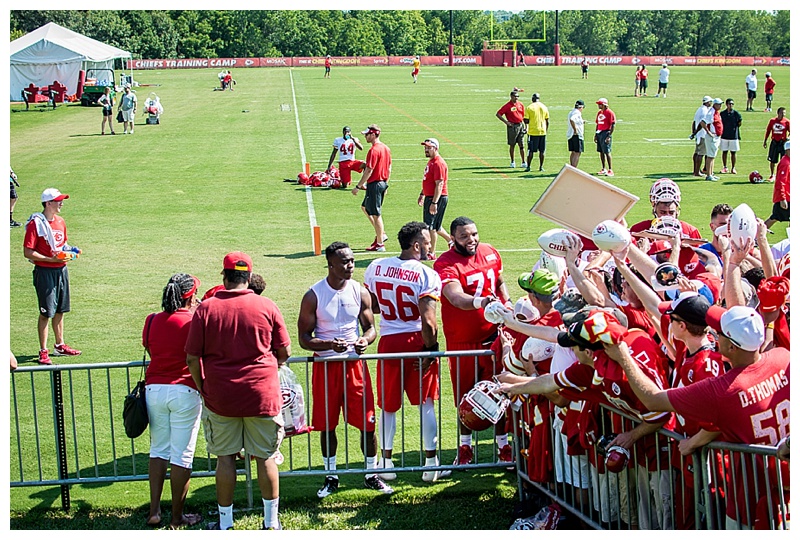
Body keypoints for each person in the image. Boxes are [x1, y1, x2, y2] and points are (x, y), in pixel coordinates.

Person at [604, 304, 789, 530]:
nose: (712, 334)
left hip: (748, 498)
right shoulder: (784, 358)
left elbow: (652, 399)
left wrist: (623, 357)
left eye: (718, 333)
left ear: (731, 346)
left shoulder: (723, 390)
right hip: (784, 482)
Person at [185, 252, 290, 530]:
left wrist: (203, 386)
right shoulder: (267, 305)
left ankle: (225, 523)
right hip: (261, 394)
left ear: (224, 276)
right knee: (266, 458)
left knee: (225, 459)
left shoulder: (206, 308)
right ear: (248, 276)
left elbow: (192, 357)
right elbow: (284, 351)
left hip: (221, 396)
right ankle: (271, 523)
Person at [297, 242, 390, 498]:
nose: (351, 266)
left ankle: (371, 474)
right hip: (326, 368)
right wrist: (328, 344)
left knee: (368, 422)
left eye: (351, 261)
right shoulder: (314, 295)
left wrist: (365, 341)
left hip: (354, 367)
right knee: (327, 425)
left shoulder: (360, 291)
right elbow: (304, 338)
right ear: (331, 265)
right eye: (345, 262)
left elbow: (371, 328)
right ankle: (331, 476)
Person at [363, 222, 445, 482]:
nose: (431, 247)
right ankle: (430, 464)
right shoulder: (426, 274)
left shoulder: (376, 266)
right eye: (428, 243)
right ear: (416, 245)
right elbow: (429, 322)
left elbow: (372, 306)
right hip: (416, 340)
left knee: (388, 406)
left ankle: (386, 464)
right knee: (426, 403)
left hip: (388, 340)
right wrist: (431, 349)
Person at [433, 217, 513, 465]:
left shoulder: (490, 251)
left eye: (474, 234)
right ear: (453, 237)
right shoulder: (446, 263)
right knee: (465, 397)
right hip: (463, 342)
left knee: (499, 394)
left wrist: (506, 300)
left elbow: (499, 280)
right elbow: (455, 297)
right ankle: (465, 447)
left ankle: (503, 446)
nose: (472, 240)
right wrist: (481, 302)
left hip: (492, 337)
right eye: (465, 236)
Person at [144, 274, 204, 529]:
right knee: (182, 456)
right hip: (184, 391)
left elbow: (149, 347)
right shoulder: (194, 322)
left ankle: (154, 511)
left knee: (158, 450)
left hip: (154, 390)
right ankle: (177, 518)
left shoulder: (152, 320)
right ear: (189, 296)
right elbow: (197, 356)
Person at [23, 188, 82, 365]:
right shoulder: (36, 224)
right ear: (48, 203)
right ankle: (43, 350)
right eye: (58, 201)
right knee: (46, 313)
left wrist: (72, 251)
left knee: (60, 310)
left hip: (61, 270)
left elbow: (62, 244)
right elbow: (28, 252)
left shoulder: (61, 222)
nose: (61, 203)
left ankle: (59, 345)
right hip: (45, 272)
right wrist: (50, 259)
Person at [351, 124, 391, 252]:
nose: (366, 137)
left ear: (373, 135)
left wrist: (358, 186)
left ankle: (380, 242)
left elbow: (369, 169)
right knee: (365, 207)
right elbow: (389, 167)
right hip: (381, 183)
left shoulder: (374, 150)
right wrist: (386, 183)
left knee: (375, 213)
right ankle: (380, 235)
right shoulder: (385, 148)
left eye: (367, 134)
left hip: (375, 183)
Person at [417, 138, 451, 260]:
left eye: (428, 147)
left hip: (437, 198)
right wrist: (422, 194)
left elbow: (439, 184)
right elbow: (428, 180)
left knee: (430, 227)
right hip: (431, 197)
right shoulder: (431, 161)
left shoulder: (438, 163)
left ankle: (431, 252)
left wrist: (434, 202)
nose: (426, 150)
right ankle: (451, 242)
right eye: (425, 147)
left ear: (435, 148)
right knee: (435, 225)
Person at [496, 90, 527, 169]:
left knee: (522, 144)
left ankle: (523, 161)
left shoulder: (520, 104)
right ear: (511, 97)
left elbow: (524, 116)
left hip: (520, 125)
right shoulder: (507, 106)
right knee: (512, 145)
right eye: (515, 96)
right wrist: (506, 122)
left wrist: (526, 126)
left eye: (517, 97)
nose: (516, 98)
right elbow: (498, 114)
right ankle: (512, 161)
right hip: (512, 126)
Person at [765, 140, 790, 230]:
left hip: (788, 196)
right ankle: (757, 236)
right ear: (788, 150)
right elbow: (780, 182)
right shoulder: (786, 163)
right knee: (774, 217)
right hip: (786, 197)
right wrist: (783, 198)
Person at [523, 93, 549, 172]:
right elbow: (547, 120)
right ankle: (541, 167)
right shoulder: (544, 107)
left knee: (530, 150)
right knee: (542, 151)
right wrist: (545, 130)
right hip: (542, 132)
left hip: (533, 132)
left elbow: (526, 120)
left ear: (532, 99)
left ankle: (528, 166)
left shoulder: (529, 107)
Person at [763, 107, 790, 182]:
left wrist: (788, 137)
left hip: (782, 143)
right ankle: (772, 175)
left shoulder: (787, 122)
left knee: (783, 160)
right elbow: (768, 130)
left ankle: (782, 175)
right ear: (778, 113)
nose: (783, 114)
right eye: (782, 113)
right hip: (774, 142)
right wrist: (765, 141)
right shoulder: (772, 121)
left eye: (784, 113)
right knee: (772, 160)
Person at [690, 96, 713, 178]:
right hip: (702, 134)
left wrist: (694, 133)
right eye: (710, 102)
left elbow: (694, 122)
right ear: (707, 102)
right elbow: (702, 123)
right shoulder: (704, 111)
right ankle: (697, 172)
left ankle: (696, 170)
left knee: (697, 153)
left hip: (698, 134)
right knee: (701, 154)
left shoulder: (699, 109)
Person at [720, 98, 742, 174]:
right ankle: (725, 167)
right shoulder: (722, 114)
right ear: (726, 104)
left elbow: (739, 123)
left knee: (733, 152)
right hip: (724, 135)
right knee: (724, 152)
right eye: (730, 104)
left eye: (732, 104)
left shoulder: (736, 114)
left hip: (733, 136)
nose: (731, 105)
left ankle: (733, 168)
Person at [594, 98, 615, 177]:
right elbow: (597, 124)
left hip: (605, 133)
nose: (599, 105)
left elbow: (613, 124)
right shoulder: (599, 113)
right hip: (599, 132)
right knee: (601, 151)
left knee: (607, 151)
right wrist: (596, 135)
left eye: (600, 104)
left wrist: (609, 136)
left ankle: (610, 169)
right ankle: (603, 168)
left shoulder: (610, 113)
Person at [566, 100, 585, 168]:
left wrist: (581, 122)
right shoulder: (577, 113)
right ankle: (574, 168)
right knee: (577, 153)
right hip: (576, 135)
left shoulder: (571, 112)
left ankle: (571, 167)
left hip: (570, 134)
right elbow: (572, 119)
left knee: (573, 152)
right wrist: (575, 130)